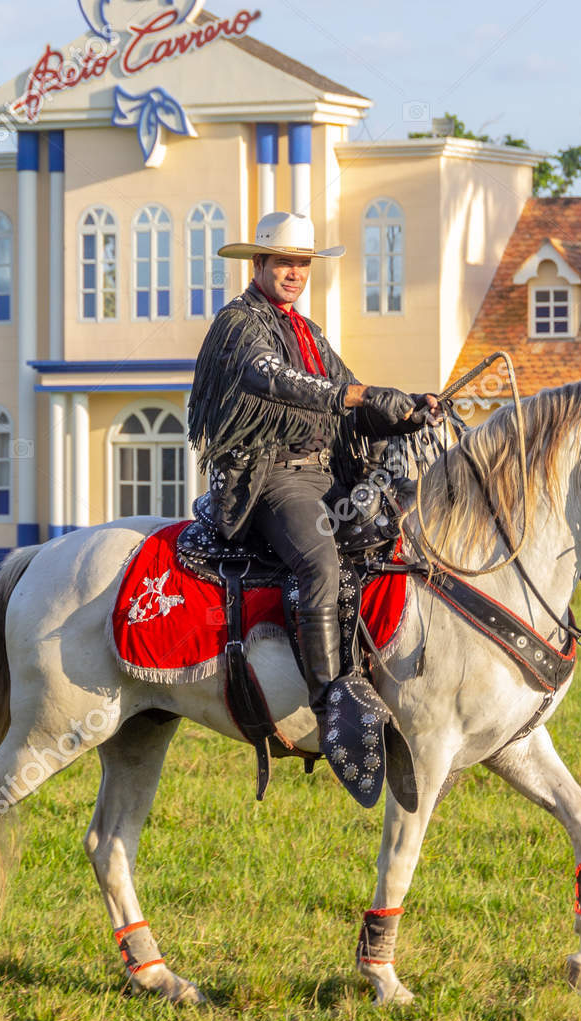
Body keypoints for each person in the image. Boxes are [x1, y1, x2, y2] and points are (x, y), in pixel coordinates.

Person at [188, 211, 440, 784]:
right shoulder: (239, 324)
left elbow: (352, 403)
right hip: (269, 478)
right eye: (284, 262)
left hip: (324, 473)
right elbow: (271, 378)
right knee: (319, 559)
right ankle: (333, 705)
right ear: (259, 265)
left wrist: (403, 412)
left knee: (393, 529)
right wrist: (359, 394)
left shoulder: (308, 332)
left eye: (302, 264)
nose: (295, 272)